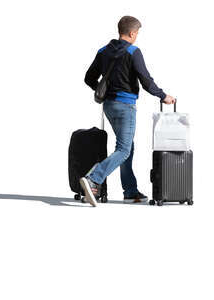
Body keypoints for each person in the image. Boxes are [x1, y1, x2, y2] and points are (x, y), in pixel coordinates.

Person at [79, 16, 176, 207]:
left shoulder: (103, 51)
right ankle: (93, 179)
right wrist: (163, 95)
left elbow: (89, 78)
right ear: (132, 33)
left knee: (126, 147)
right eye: (137, 33)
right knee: (124, 149)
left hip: (108, 106)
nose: (137, 36)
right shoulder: (133, 51)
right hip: (125, 107)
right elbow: (146, 80)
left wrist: (103, 89)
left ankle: (130, 191)